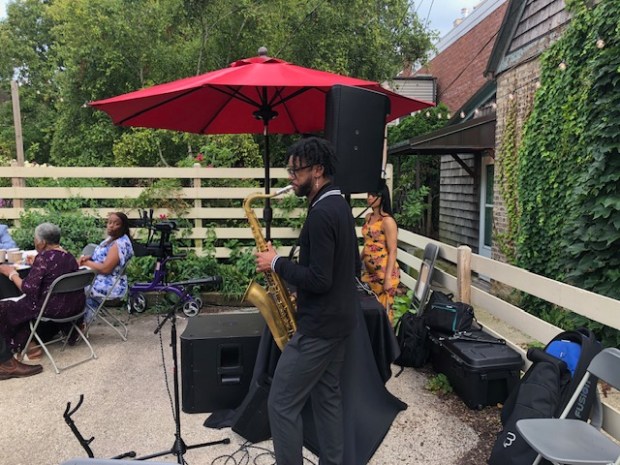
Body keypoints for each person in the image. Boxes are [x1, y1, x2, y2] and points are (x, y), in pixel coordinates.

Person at [255, 137, 359, 465]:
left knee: (281, 404)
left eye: (295, 170)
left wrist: (275, 263)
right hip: (340, 321)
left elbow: (320, 278)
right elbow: (351, 267)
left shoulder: (321, 213)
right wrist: (304, 288)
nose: (290, 177)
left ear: (317, 170)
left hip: (319, 328)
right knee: (327, 399)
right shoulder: (338, 204)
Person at [0, 222, 84, 372]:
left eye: (35, 239)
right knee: (21, 304)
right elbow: (53, 276)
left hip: (49, 308)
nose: (35, 242)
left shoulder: (44, 258)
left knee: (6, 306)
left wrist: (11, 274)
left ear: (42, 242)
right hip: (72, 307)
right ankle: (32, 341)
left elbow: (28, 289)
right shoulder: (69, 256)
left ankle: (23, 346)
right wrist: (36, 266)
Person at [79, 212, 134, 325]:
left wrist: (88, 263)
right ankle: (77, 323)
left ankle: (78, 324)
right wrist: (91, 258)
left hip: (110, 284)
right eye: (109, 222)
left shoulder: (119, 244)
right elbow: (104, 257)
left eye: (116, 224)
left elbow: (106, 269)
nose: (111, 225)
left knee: (74, 286)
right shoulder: (112, 239)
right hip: (100, 278)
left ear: (123, 226)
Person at [361, 181, 400, 324]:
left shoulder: (388, 221)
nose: (369, 198)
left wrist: (388, 278)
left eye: (373, 195)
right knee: (370, 310)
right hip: (369, 273)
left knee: (384, 313)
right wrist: (357, 260)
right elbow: (368, 243)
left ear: (382, 197)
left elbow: (393, 250)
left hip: (384, 273)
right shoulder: (368, 217)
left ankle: (387, 344)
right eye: (368, 195)